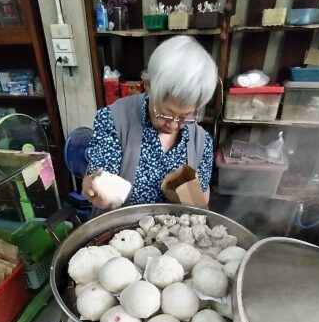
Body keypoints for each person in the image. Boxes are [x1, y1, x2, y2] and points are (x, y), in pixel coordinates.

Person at [82, 35, 218, 212]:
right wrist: (94, 187)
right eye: (166, 114)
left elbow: (202, 205)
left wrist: (186, 191)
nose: (174, 125)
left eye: (185, 117)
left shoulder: (201, 141)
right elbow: (97, 177)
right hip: (122, 234)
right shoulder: (114, 120)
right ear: (149, 86)